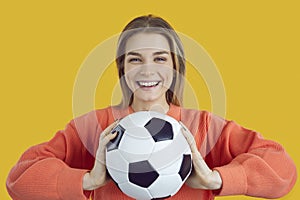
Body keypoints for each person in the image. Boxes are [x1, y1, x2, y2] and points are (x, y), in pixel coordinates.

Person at [6, 14, 297, 200]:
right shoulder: (95, 128)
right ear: (122, 69)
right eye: (135, 59)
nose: (147, 71)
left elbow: (283, 171)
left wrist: (215, 178)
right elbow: (19, 178)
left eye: (159, 58)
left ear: (175, 67)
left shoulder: (205, 127)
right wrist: (88, 179)